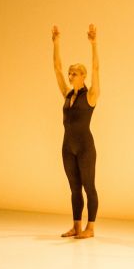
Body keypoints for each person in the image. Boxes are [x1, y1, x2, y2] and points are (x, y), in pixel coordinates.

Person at [52, 24, 100, 239]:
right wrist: (56, 43)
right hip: (67, 147)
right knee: (74, 188)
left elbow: (97, 69)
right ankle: (76, 226)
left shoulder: (90, 95)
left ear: (83, 76)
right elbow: (56, 68)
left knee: (89, 186)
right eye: (70, 73)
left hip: (85, 148)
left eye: (75, 73)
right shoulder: (67, 95)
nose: (70, 76)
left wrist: (94, 44)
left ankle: (90, 228)